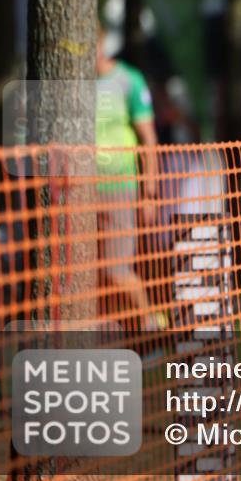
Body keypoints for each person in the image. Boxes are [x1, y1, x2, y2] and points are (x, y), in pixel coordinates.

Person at [95, 26, 165, 330]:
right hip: (79, 192)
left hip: (119, 189)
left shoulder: (128, 80)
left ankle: (153, 324)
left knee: (115, 268)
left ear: (101, 42)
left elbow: (149, 140)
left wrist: (149, 193)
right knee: (91, 274)